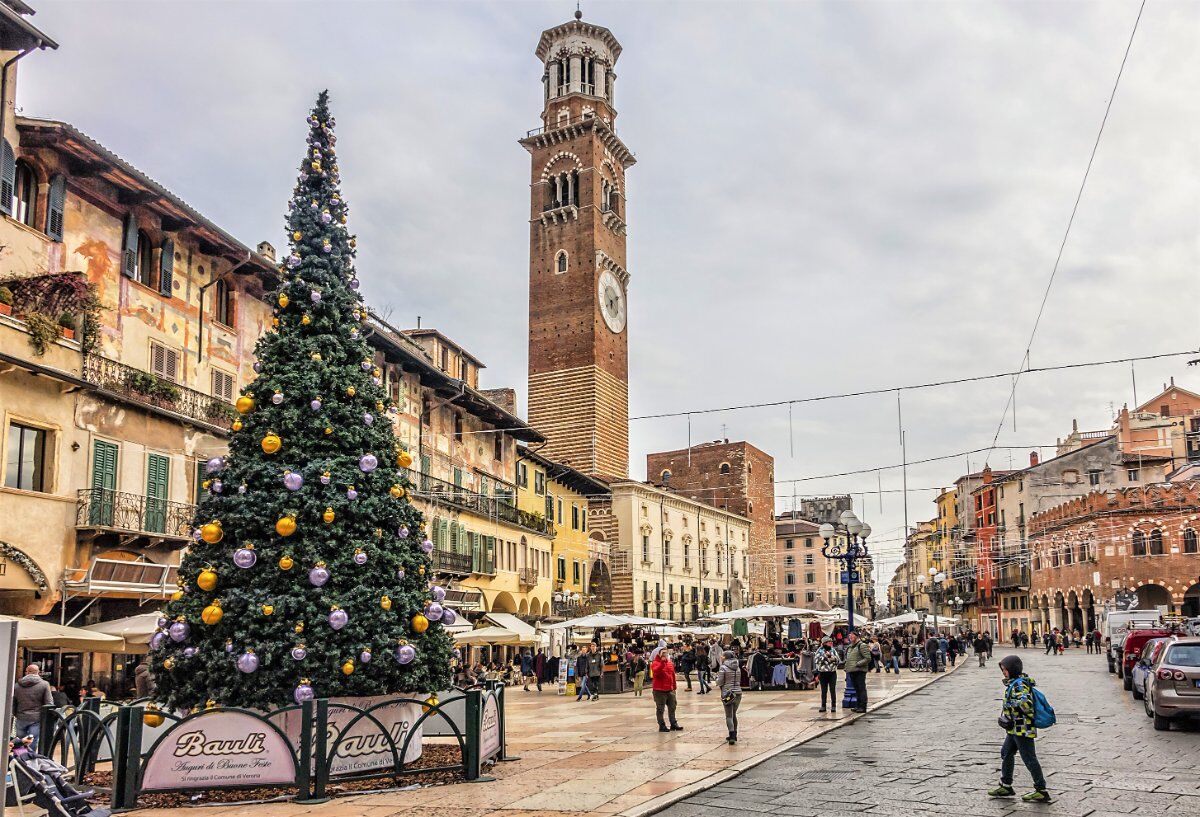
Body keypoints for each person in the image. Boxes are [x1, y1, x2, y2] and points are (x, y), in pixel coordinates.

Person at [988, 655, 1050, 803]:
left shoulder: (1019, 685)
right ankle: (1006, 785)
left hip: (1022, 728)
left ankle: (1041, 790)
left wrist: (1009, 704)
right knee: (1006, 753)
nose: (1004, 672)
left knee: (1029, 758)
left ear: (1012, 669)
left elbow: (1026, 705)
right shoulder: (1015, 683)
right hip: (1014, 728)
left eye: (1005, 669)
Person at [13, 664, 53, 743]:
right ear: (38, 672)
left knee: (20, 741)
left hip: (21, 717)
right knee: (32, 741)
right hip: (36, 717)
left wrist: (15, 714)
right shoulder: (44, 684)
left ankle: (21, 751)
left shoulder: (17, 686)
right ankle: (30, 751)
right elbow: (49, 702)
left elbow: (14, 702)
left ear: (27, 672)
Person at [651, 646, 682, 732]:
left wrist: (674, 687)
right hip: (659, 690)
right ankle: (662, 725)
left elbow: (672, 675)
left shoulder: (670, 663)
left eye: (666, 652)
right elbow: (656, 672)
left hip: (670, 689)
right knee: (660, 709)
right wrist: (662, 662)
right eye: (663, 653)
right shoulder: (655, 663)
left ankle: (673, 723)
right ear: (659, 654)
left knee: (672, 707)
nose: (665, 654)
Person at [715, 649, 742, 745]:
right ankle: (735, 733)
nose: (721, 657)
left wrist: (716, 678)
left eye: (722, 656)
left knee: (729, 716)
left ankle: (732, 736)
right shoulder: (737, 667)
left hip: (728, 693)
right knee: (734, 714)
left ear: (726, 657)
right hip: (738, 693)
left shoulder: (723, 667)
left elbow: (720, 682)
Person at [843, 631, 872, 714]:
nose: (850, 637)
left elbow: (867, 658)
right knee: (857, 689)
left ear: (857, 636)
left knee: (861, 688)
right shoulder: (850, 647)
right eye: (849, 636)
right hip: (852, 670)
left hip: (859, 670)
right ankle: (858, 706)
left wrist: (858, 664)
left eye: (852, 636)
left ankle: (863, 706)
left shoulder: (862, 645)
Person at [813, 637, 840, 713]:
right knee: (824, 690)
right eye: (829, 642)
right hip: (823, 673)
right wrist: (825, 657)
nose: (831, 643)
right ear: (824, 643)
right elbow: (816, 660)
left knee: (832, 690)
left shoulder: (833, 650)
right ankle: (823, 706)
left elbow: (838, 660)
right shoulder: (819, 650)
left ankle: (833, 706)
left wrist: (830, 657)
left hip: (832, 673)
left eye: (831, 642)